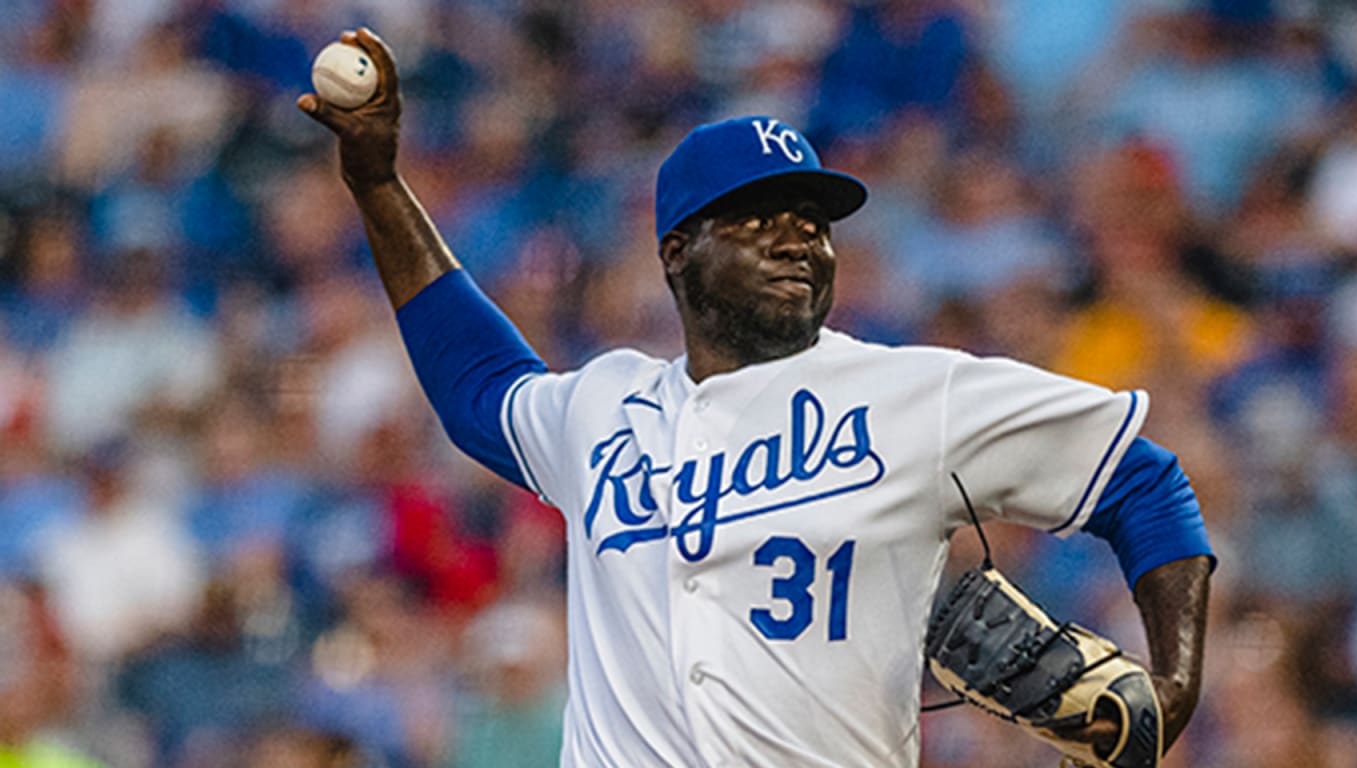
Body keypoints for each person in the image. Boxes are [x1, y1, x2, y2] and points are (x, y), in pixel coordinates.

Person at [298, 28, 1215, 768]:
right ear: (675, 250)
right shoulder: (604, 406)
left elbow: (1143, 484)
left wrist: (1172, 687)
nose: (796, 242)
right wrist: (379, 187)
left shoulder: (915, 393)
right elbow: (477, 387)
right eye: (758, 220)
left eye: (812, 223)